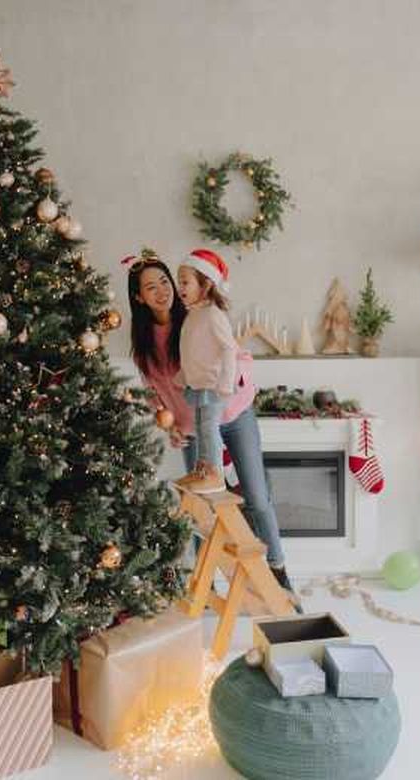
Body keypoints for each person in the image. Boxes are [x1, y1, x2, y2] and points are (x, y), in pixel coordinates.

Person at [126, 250, 296, 594]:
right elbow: (154, 393)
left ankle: (278, 572)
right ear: (138, 297)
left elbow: (237, 356)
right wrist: (168, 424)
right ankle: (205, 585)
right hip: (193, 430)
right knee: (199, 510)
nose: (163, 290)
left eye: (166, 281)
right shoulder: (143, 346)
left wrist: (227, 388)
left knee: (257, 498)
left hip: (234, 415)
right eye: (151, 287)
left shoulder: (197, 317)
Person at [172, 249, 237, 493]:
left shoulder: (213, 315)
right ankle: (202, 469)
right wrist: (182, 377)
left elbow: (229, 349)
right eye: (180, 282)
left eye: (185, 282)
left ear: (206, 284)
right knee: (200, 428)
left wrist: (225, 383)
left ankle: (216, 474)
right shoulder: (193, 316)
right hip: (198, 385)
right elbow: (191, 352)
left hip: (213, 386)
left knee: (209, 428)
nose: (180, 287)